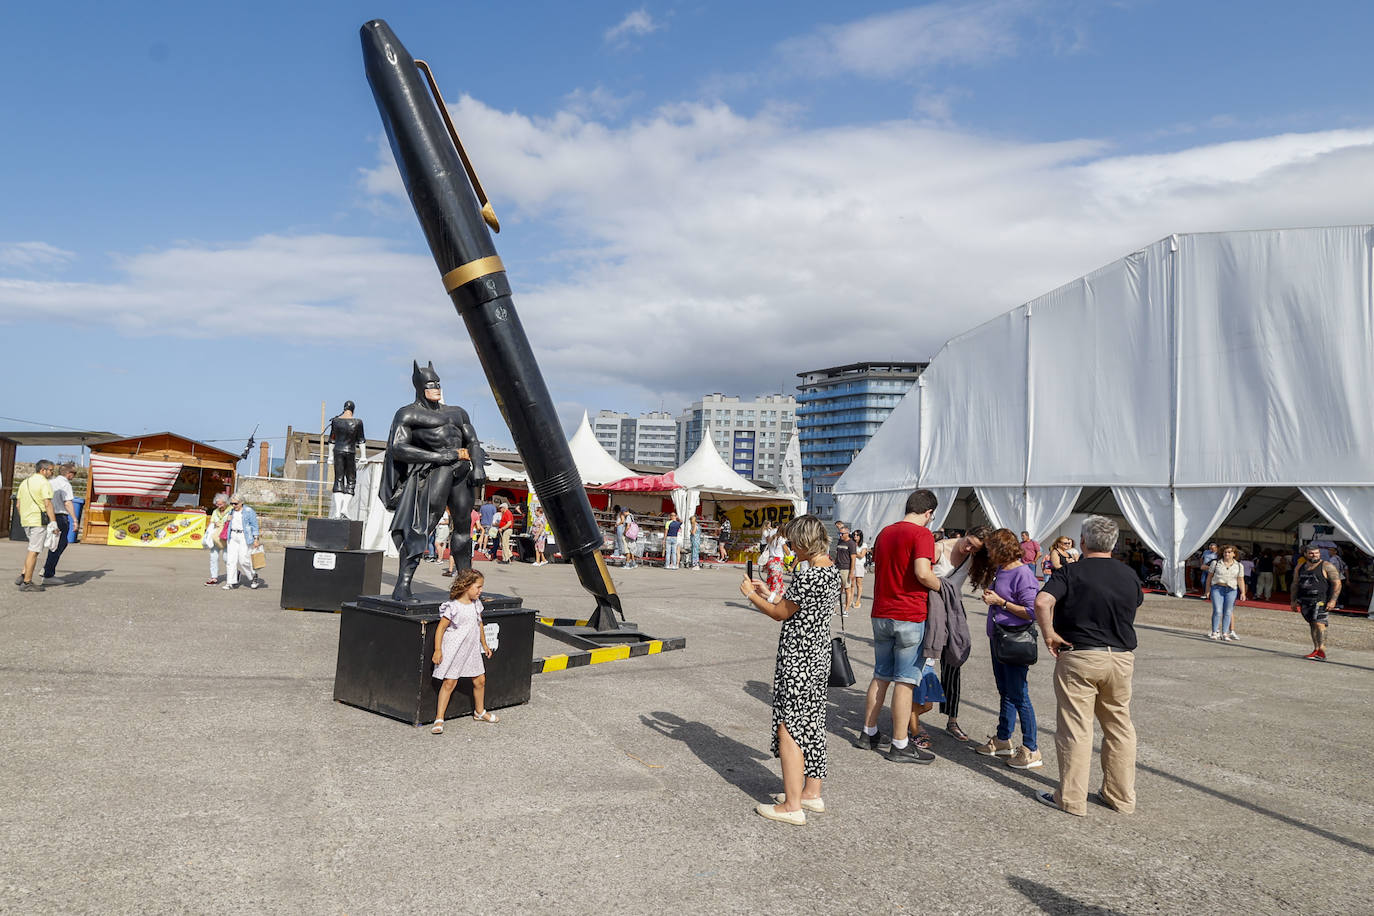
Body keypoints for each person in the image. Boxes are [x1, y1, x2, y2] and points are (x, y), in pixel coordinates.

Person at [1032, 515, 1142, 817]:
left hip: (1080, 654)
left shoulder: (1071, 572)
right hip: (1119, 656)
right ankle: (1120, 796)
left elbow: (1042, 602)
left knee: (1076, 730)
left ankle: (1071, 798)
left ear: (1082, 542)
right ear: (1114, 543)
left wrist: (1049, 634)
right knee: (1119, 727)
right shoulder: (1129, 575)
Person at [738, 515, 841, 825]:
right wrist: (768, 591)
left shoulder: (809, 576)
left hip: (799, 659)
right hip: (819, 656)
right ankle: (811, 792)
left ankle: (792, 806)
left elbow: (781, 613)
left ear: (806, 541)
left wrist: (751, 595)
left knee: (790, 727)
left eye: (794, 542)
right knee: (811, 722)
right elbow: (798, 605)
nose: (791, 547)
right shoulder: (831, 571)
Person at [379, 361, 487, 600]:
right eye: (431, 384)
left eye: (438, 383)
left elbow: (473, 442)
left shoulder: (457, 412)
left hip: (461, 473)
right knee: (422, 527)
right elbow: (397, 448)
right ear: (419, 387)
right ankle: (403, 586)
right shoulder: (409, 413)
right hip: (435, 472)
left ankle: (466, 585)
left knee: (463, 530)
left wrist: (478, 466)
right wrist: (438, 456)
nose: (436, 387)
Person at [857, 489, 941, 764]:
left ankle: (868, 733)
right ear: (928, 513)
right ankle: (900, 743)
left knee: (881, 674)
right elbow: (922, 572)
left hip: (881, 611)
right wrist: (944, 587)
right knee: (905, 681)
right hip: (909, 614)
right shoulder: (922, 534)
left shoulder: (885, 532)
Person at [968, 528, 1042, 770]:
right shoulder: (1002, 570)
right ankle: (1003, 739)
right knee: (1006, 691)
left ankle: (1031, 749)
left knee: (1019, 694)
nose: (988, 552)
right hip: (999, 638)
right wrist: (993, 597)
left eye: (991, 548)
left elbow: (1032, 611)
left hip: (1015, 640)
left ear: (1001, 550)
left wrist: (1001, 602)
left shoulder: (1023, 574)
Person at [930, 525, 989, 742]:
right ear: (966, 533)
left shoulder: (972, 558)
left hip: (953, 610)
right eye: (969, 543)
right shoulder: (938, 548)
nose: (968, 549)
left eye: (974, 549)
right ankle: (913, 719)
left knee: (954, 662)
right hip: (930, 608)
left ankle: (952, 719)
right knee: (923, 662)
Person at [430, 569, 497, 733]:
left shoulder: (476, 605)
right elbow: (441, 629)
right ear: (466, 586)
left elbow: (479, 624)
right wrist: (438, 650)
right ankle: (439, 718)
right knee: (449, 682)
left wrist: (485, 645)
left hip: (472, 649)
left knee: (479, 680)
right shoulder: (453, 607)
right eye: (478, 587)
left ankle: (479, 712)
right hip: (455, 649)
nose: (480, 591)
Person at [1292, 544, 1341, 660]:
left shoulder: (1327, 566)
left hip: (1321, 600)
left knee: (1320, 623)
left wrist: (1333, 600)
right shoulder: (1300, 567)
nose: (1314, 555)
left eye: (1317, 553)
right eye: (1311, 553)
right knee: (1312, 624)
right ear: (1305, 554)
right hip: (1305, 600)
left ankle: (1322, 650)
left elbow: (1337, 583)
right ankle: (1316, 649)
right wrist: (1293, 600)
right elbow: (1295, 584)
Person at [15, 460, 57, 593]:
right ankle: (27, 582)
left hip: (26, 520)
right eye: (51, 470)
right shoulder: (44, 483)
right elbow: (47, 504)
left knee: (31, 549)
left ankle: (23, 575)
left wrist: (24, 518)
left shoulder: (24, 482)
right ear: (43, 470)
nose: (52, 473)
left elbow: (18, 504)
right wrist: (53, 522)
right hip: (38, 520)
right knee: (34, 551)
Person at [41, 462, 77, 582]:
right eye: (74, 473)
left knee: (53, 543)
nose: (75, 476)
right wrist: (75, 519)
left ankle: (47, 568)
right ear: (68, 474)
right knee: (60, 544)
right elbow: (67, 502)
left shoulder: (51, 482)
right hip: (61, 515)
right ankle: (48, 573)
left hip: (50, 515)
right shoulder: (65, 485)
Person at [222, 493, 265, 590]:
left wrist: (256, 539)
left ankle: (253, 576)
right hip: (232, 536)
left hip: (244, 536)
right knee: (231, 560)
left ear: (241, 502)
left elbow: (254, 525)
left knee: (243, 560)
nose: (233, 505)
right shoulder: (231, 511)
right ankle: (230, 582)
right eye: (231, 503)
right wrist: (227, 520)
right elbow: (224, 522)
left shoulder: (249, 511)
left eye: (235, 503)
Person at [1204, 544, 1246, 640]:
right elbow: (1209, 577)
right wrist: (1207, 590)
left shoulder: (1239, 566)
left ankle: (1225, 633)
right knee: (1217, 611)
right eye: (1225, 552)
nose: (1227, 554)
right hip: (1217, 588)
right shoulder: (1216, 563)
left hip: (1231, 589)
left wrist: (1243, 592)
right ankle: (1215, 631)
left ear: (1234, 554)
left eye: (1229, 552)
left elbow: (1240, 579)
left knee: (1228, 611)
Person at [204, 493, 232, 586]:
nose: (219, 506)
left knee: (226, 558)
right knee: (213, 557)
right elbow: (212, 522)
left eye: (221, 504)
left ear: (226, 503)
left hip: (226, 537)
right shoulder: (215, 511)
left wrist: (226, 522)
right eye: (217, 504)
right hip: (215, 537)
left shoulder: (231, 510)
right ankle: (214, 577)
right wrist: (214, 524)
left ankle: (234, 574)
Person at [761, 523, 787, 599]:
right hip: (777, 562)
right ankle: (773, 598)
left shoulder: (772, 538)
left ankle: (768, 595)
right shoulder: (782, 539)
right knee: (777, 581)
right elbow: (787, 552)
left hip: (770, 560)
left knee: (770, 580)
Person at [848, 530, 868, 613]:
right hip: (852, 565)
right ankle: (851, 599)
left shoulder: (864, 545)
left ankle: (858, 600)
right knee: (852, 584)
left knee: (858, 583)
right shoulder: (851, 543)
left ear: (860, 536)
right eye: (854, 535)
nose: (855, 536)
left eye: (857, 535)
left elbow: (861, 555)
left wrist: (853, 551)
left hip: (859, 565)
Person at [834, 526, 854, 609]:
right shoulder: (839, 541)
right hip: (838, 567)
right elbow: (837, 554)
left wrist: (851, 572)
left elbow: (853, 559)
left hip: (846, 568)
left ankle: (846, 609)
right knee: (837, 589)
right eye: (839, 533)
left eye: (841, 534)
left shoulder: (851, 543)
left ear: (847, 533)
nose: (840, 535)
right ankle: (834, 608)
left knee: (847, 589)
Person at [496, 500, 515, 565]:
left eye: (501, 508)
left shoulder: (507, 513)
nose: (500, 509)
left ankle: (506, 559)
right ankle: (510, 556)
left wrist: (502, 528)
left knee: (504, 544)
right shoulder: (506, 513)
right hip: (506, 530)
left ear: (504, 508)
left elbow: (509, 523)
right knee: (505, 544)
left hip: (507, 530)